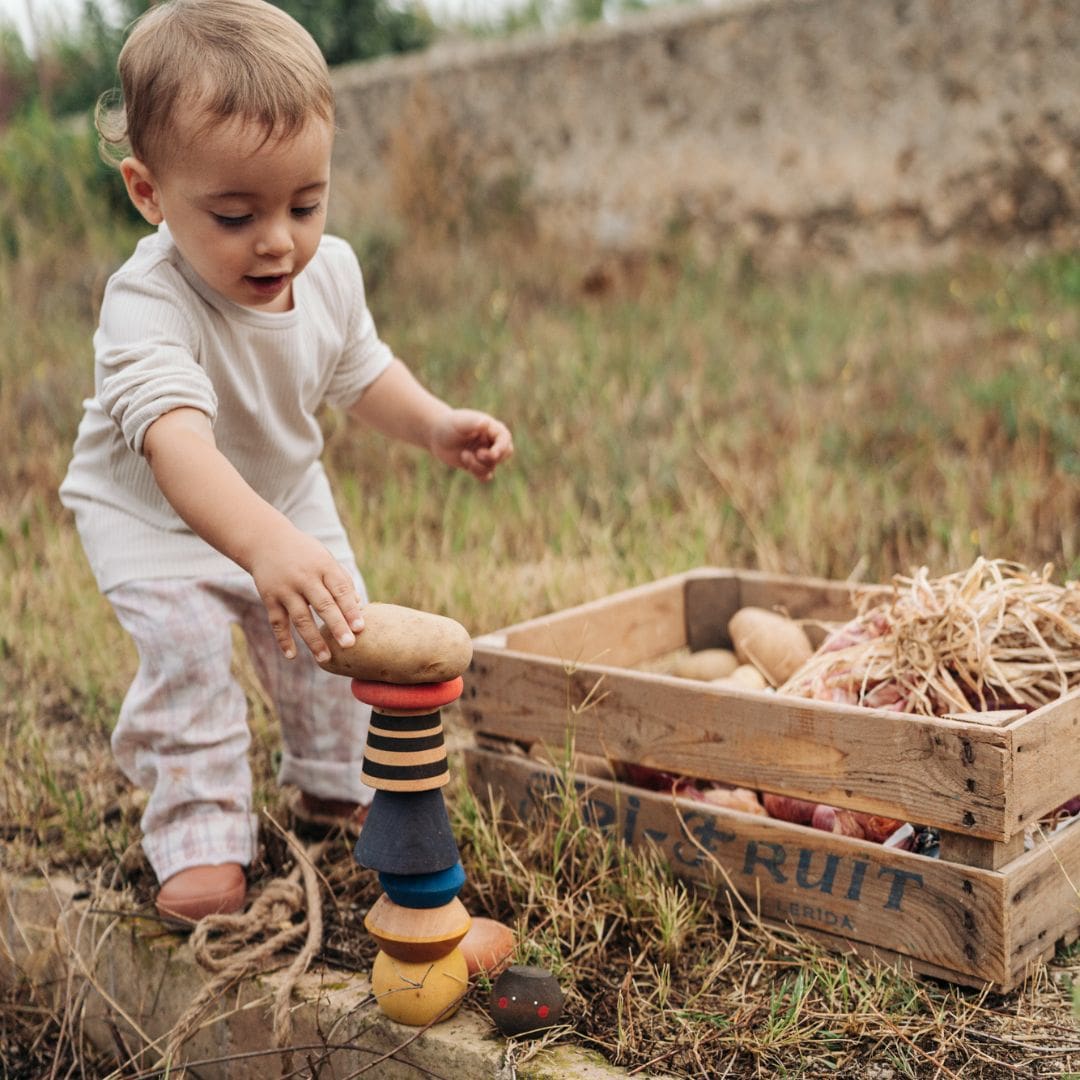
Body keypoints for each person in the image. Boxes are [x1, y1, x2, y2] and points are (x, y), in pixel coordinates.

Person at [59, 0, 513, 923]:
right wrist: (262, 547)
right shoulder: (146, 303)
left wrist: (431, 425)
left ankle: (333, 779)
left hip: (283, 492)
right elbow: (178, 445)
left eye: (305, 204)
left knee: (333, 633)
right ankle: (199, 832)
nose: (278, 239)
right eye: (235, 214)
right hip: (152, 516)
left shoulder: (329, 272)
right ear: (149, 193)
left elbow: (358, 368)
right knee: (187, 656)